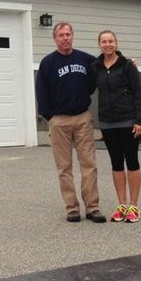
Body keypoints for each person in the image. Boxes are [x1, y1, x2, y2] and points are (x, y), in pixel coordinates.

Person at [36, 22, 106, 223]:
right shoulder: (48, 63)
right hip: (59, 120)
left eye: (68, 34)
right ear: (55, 38)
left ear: (72, 36)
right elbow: (42, 91)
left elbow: (106, 64)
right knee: (64, 167)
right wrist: (50, 116)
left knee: (89, 164)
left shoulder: (85, 59)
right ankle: (72, 208)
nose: (65, 38)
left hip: (82, 118)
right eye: (61, 35)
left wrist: (128, 62)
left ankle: (93, 207)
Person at [94, 30, 141, 223]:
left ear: (116, 43)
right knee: (116, 163)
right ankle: (122, 205)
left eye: (111, 41)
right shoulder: (96, 67)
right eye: (104, 41)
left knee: (131, 161)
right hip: (107, 122)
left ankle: (134, 206)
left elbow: (138, 93)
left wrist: (140, 120)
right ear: (99, 44)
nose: (107, 44)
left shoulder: (127, 66)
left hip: (128, 121)